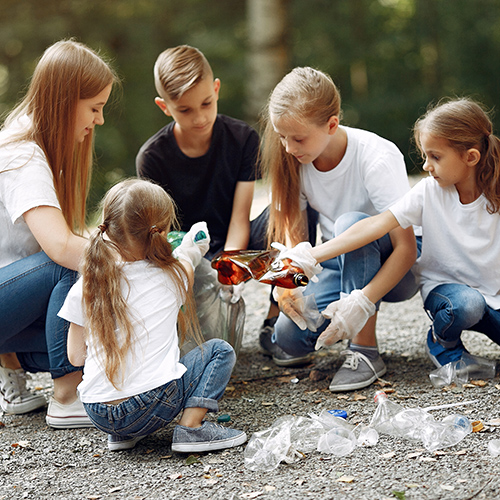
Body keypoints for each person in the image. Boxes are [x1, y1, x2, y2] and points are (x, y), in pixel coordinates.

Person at [293, 97, 499, 373]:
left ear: (471, 157)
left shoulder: (494, 196)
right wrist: (309, 255)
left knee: (478, 306)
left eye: (435, 157)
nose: (426, 165)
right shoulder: (428, 192)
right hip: (449, 293)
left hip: (493, 293)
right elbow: (376, 225)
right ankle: (443, 342)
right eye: (426, 155)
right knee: (468, 305)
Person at [260, 67, 420, 392]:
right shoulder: (295, 159)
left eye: (298, 138)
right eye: (281, 136)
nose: (288, 147)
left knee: (352, 223)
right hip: (339, 262)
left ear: (332, 124)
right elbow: (297, 240)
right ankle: (341, 323)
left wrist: (361, 304)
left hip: (397, 268)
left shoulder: (375, 157)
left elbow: (407, 250)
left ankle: (364, 350)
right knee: (288, 338)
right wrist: (289, 284)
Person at [59, 178, 247, 453]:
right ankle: (192, 429)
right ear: (160, 231)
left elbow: (75, 357)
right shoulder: (174, 275)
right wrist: (193, 247)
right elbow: (187, 258)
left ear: (107, 229)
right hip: (153, 404)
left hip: (97, 411)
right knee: (219, 350)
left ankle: (121, 435)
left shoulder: (86, 285)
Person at [135, 44, 296, 336]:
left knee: (288, 213)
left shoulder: (243, 139)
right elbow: (162, 238)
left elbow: (239, 217)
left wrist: (229, 266)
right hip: (186, 255)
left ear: (217, 89)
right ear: (164, 106)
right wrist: (198, 269)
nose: (199, 118)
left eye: (206, 103)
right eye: (185, 110)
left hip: (236, 244)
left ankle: (277, 319)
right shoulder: (152, 158)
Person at [0, 39, 117, 427]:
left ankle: (17, 363)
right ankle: (67, 397)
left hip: (13, 304)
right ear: (66, 100)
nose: (99, 120)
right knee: (69, 263)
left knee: (104, 343)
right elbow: (61, 248)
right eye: (95, 108)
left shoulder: (41, 144)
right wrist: (130, 260)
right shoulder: (24, 155)